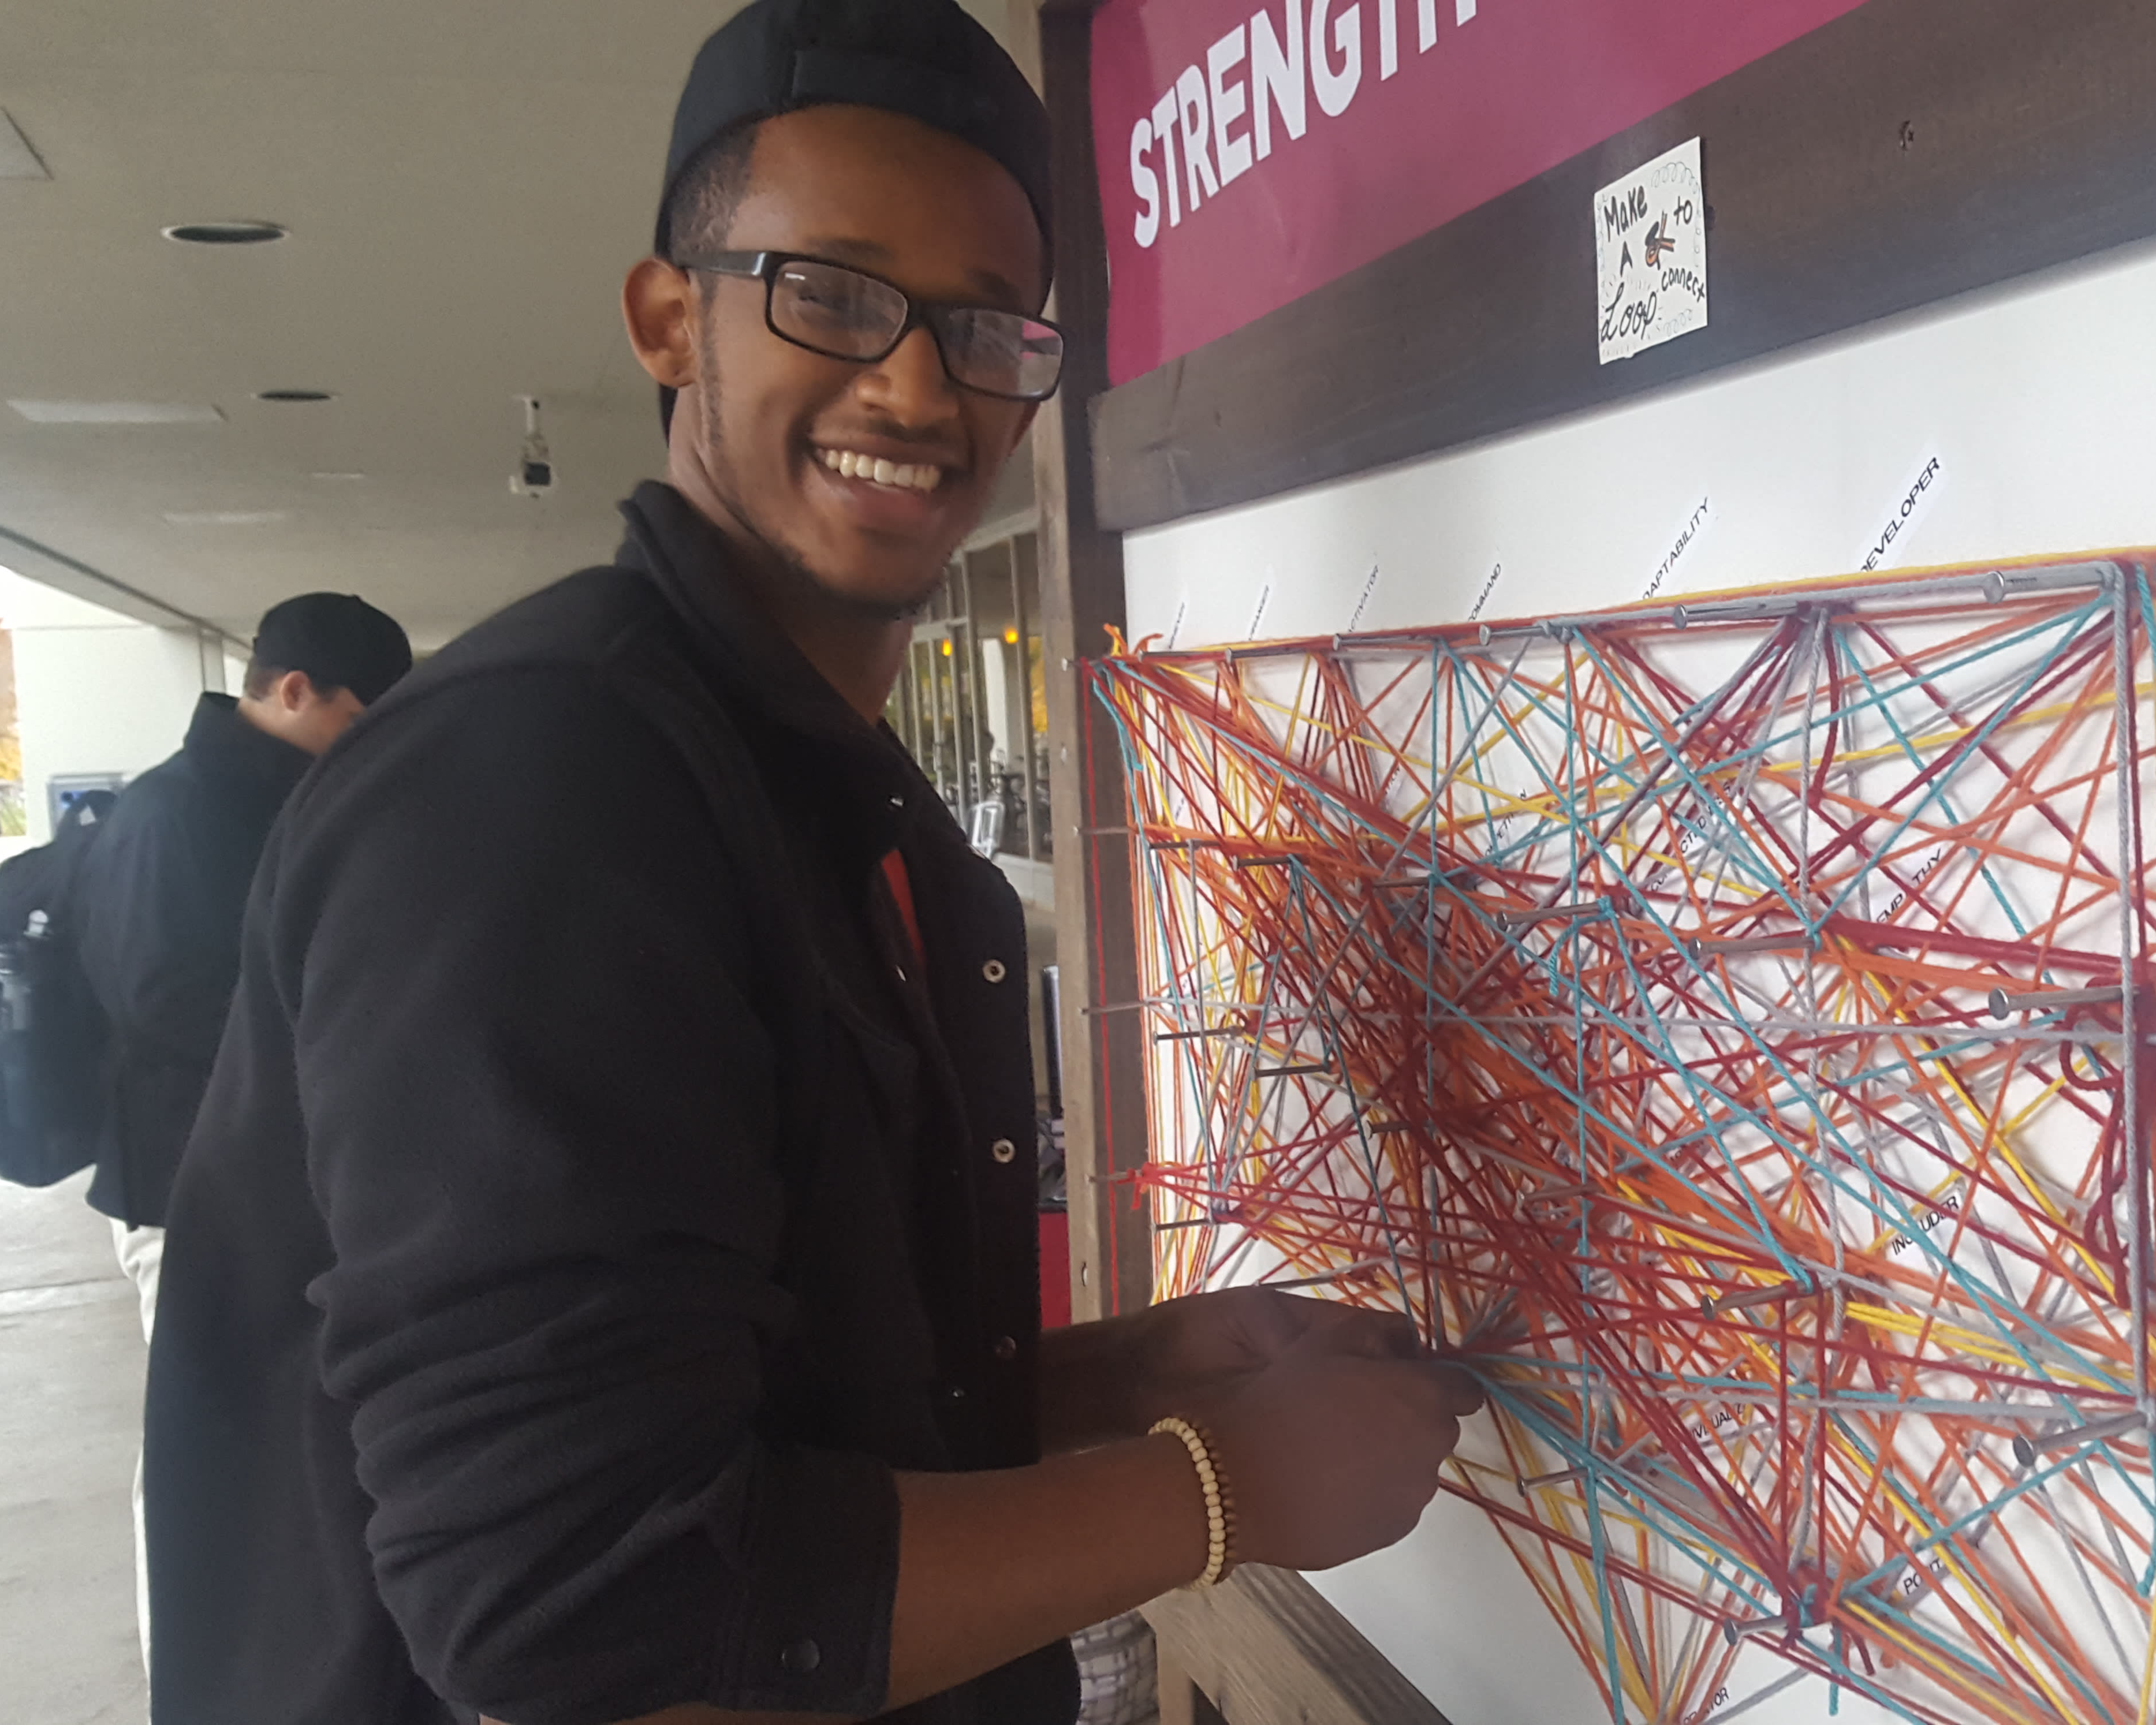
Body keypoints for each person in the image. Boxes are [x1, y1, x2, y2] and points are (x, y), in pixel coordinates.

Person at [144, 5, 1482, 1724]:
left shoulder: (788, 782)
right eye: (833, 293)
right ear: (665, 323)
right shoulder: (546, 784)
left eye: (987, 327)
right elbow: (588, 1607)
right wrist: (1214, 1497)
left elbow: (740, 1404)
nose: (920, 386)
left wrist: (1121, 1378)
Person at [67, 589, 411, 1675]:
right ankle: (192, 1643)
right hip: (187, 1183)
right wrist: (323, 1043)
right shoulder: (174, 811)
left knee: (276, 1426)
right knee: (200, 1429)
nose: (363, 747)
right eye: (359, 718)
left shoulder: (277, 796)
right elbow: (160, 991)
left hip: (273, 1173)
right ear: (295, 689)